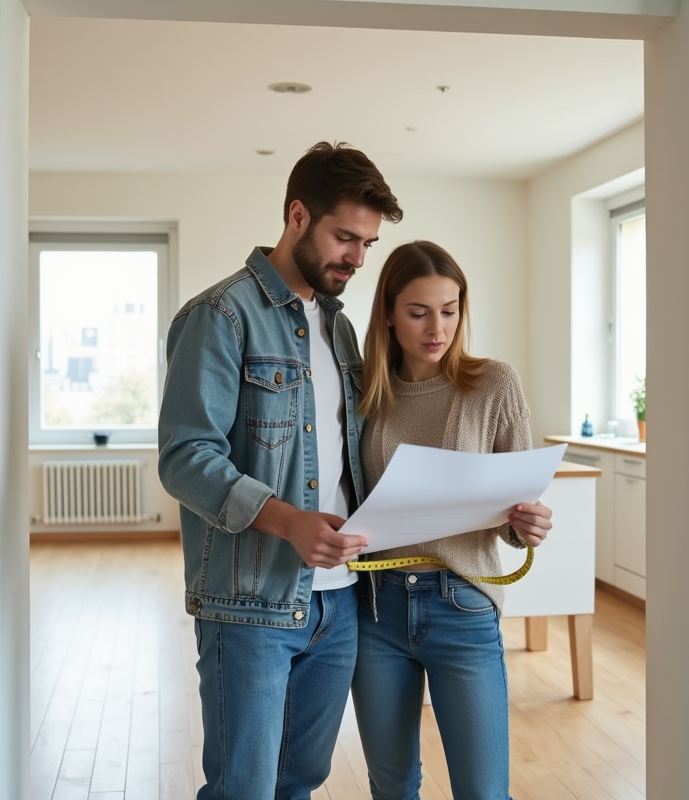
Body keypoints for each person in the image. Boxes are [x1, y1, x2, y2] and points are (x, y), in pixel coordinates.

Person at [157, 142, 403, 800]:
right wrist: (287, 520)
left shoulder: (340, 331)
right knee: (244, 789)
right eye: (345, 237)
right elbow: (184, 458)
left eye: (368, 243)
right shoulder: (219, 316)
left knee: (300, 783)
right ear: (297, 215)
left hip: (342, 603)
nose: (356, 257)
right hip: (250, 604)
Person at [351, 240, 553, 800]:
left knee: (484, 792)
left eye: (450, 309)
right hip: (375, 609)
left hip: (462, 606)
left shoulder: (495, 384)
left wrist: (526, 525)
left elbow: (515, 514)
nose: (437, 327)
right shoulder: (363, 389)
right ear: (388, 314)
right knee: (391, 787)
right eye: (418, 312)